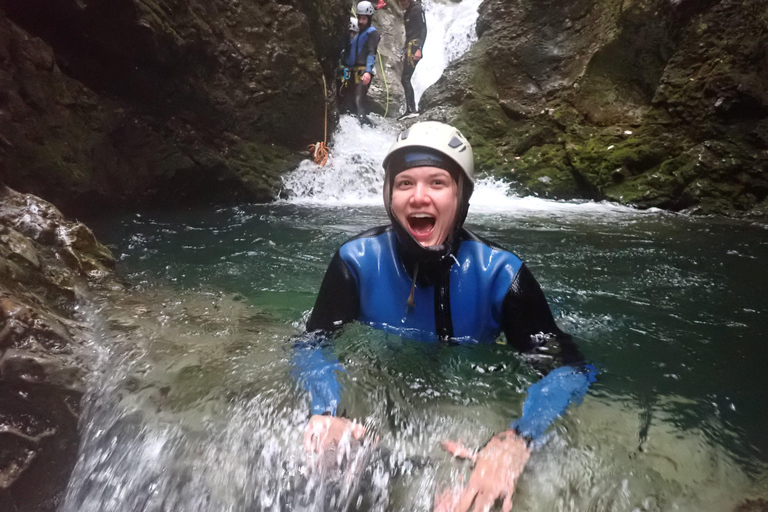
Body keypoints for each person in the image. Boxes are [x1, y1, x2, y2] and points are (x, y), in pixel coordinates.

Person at [295, 121, 597, 511]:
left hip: (468, 398)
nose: (419, 197)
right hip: (381, 392)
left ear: (461, 196)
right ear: (389, 195)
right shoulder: (355, 263)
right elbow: (312, 345)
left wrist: (517, 440)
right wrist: (327, 411)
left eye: (437, 183)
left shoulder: (501, 275)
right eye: (404, 184)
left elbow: (570, 369)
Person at [339, 1, 381, 126]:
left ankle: (367, 128)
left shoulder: (372, 33)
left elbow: (371, 52)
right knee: (348, 102)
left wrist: (368, 71)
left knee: (358, 100)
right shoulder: (359, 34)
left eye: (364, 18)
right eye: (360, 18)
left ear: (369, 18)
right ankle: (355, 127)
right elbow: (349, 50)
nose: (361, 21)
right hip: (352, 72)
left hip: (363, 72)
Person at [398, 0, 427, 120]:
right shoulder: (407, 12)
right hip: (409, 48)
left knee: (405, 79)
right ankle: (410, 109)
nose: (401, 2)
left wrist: (419, 49)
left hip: (415, 47)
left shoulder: (417, 9)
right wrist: (403, 52)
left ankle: (411, 109)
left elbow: (423, 30)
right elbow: (408, 35)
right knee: (405, 79)